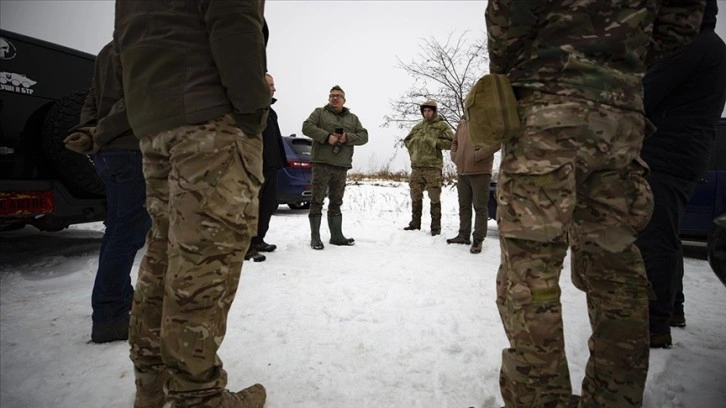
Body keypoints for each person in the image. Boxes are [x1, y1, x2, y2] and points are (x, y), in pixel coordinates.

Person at [485, 1, 705, 407]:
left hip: (548, 108)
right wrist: (620, 64)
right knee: (615, 269)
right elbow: (682, 21)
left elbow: (507, 17)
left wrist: (529, 67)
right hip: (620, 120)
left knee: (530, 270)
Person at [114, 1, 269, 407]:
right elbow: (234, 20)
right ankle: (197, 396)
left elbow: (127, 43)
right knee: (203, 262)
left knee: (164, 256)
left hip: (155, 122)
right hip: (209, 125)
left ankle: (151, 385)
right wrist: (253, 108)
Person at [636, 0, 726, 349]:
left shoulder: (693, 46)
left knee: (654, 236)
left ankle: (654, 322)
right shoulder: (712, 47)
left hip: (666, 153)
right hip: (686, 154)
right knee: (667, 234)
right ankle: (672, 308)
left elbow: (646, 91)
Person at [63, 41, 150, 344]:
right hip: (130, 149)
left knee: (117, 230)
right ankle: (109, 315)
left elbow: (92, 98)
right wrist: (101, 131)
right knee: (128, 233)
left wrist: (90, 129)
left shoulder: (108, 49)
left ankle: (119, 296)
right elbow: (139, 98)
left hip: (108, 153)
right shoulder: (147, 42)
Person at [302, 85, 368, 250]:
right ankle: (315, 237)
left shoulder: (352, 119)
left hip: (341, 165)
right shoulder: (320, 113)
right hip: (322, 163)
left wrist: (347, 137)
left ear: (344, 100)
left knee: (336, 201)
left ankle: (336, 236)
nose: (334, 98)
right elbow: (307, 127)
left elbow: (364, 136)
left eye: (338, 96)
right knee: (317, 200)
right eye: (332, 96)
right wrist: (327, 137)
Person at [245, 73, 287, 263]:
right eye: (270, 85)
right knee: (251, 207)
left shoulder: (271, 111)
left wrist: (281, 161)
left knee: (268, 205)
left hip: (271, 167)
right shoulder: (251, 109)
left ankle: (259, 239)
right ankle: (246, 246)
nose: (274, 88)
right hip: (255, 168)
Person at [446, 117, 498, 254]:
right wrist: (455, 156)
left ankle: (478, 239)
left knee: (480, 207)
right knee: (464, 205)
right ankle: (463, 235)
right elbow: (454, 143)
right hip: (462, 171)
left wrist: (477, 155)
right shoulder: (461, 125)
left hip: (480, 171)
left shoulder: (488, 122)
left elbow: (497, 142)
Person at [402, 99, 453, 236]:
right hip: (417, 167)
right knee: (415, 194)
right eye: (424, 110)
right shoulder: (418, 126)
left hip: (432, 167)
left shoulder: (441, 125)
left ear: (434, 111)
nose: (427, 113)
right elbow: (407, 140)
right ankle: (415, 224)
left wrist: (435, 142)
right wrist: (413, 146)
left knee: (434, 196)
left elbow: (453, 143)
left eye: (429, 110)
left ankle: (435, 228)